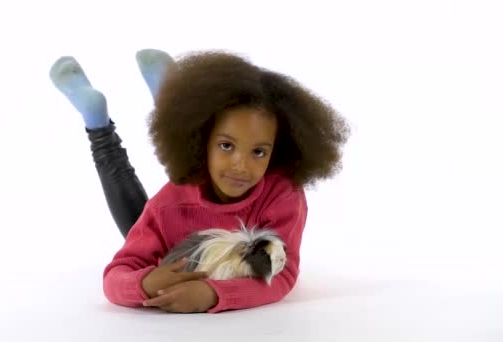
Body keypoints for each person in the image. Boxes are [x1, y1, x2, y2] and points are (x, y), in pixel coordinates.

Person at [49, 49, 350, 313]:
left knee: (190, 187)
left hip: (186, 219)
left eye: (258, 151)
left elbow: (282, 276)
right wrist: (145, 282)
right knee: (163, 203)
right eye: (227, 145)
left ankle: (168, 96)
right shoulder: (166, 206)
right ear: (202, 139)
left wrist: (213, 294)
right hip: (175, 230)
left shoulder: (283, 195)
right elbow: (115, 277)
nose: (241, 166)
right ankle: (98, 126)